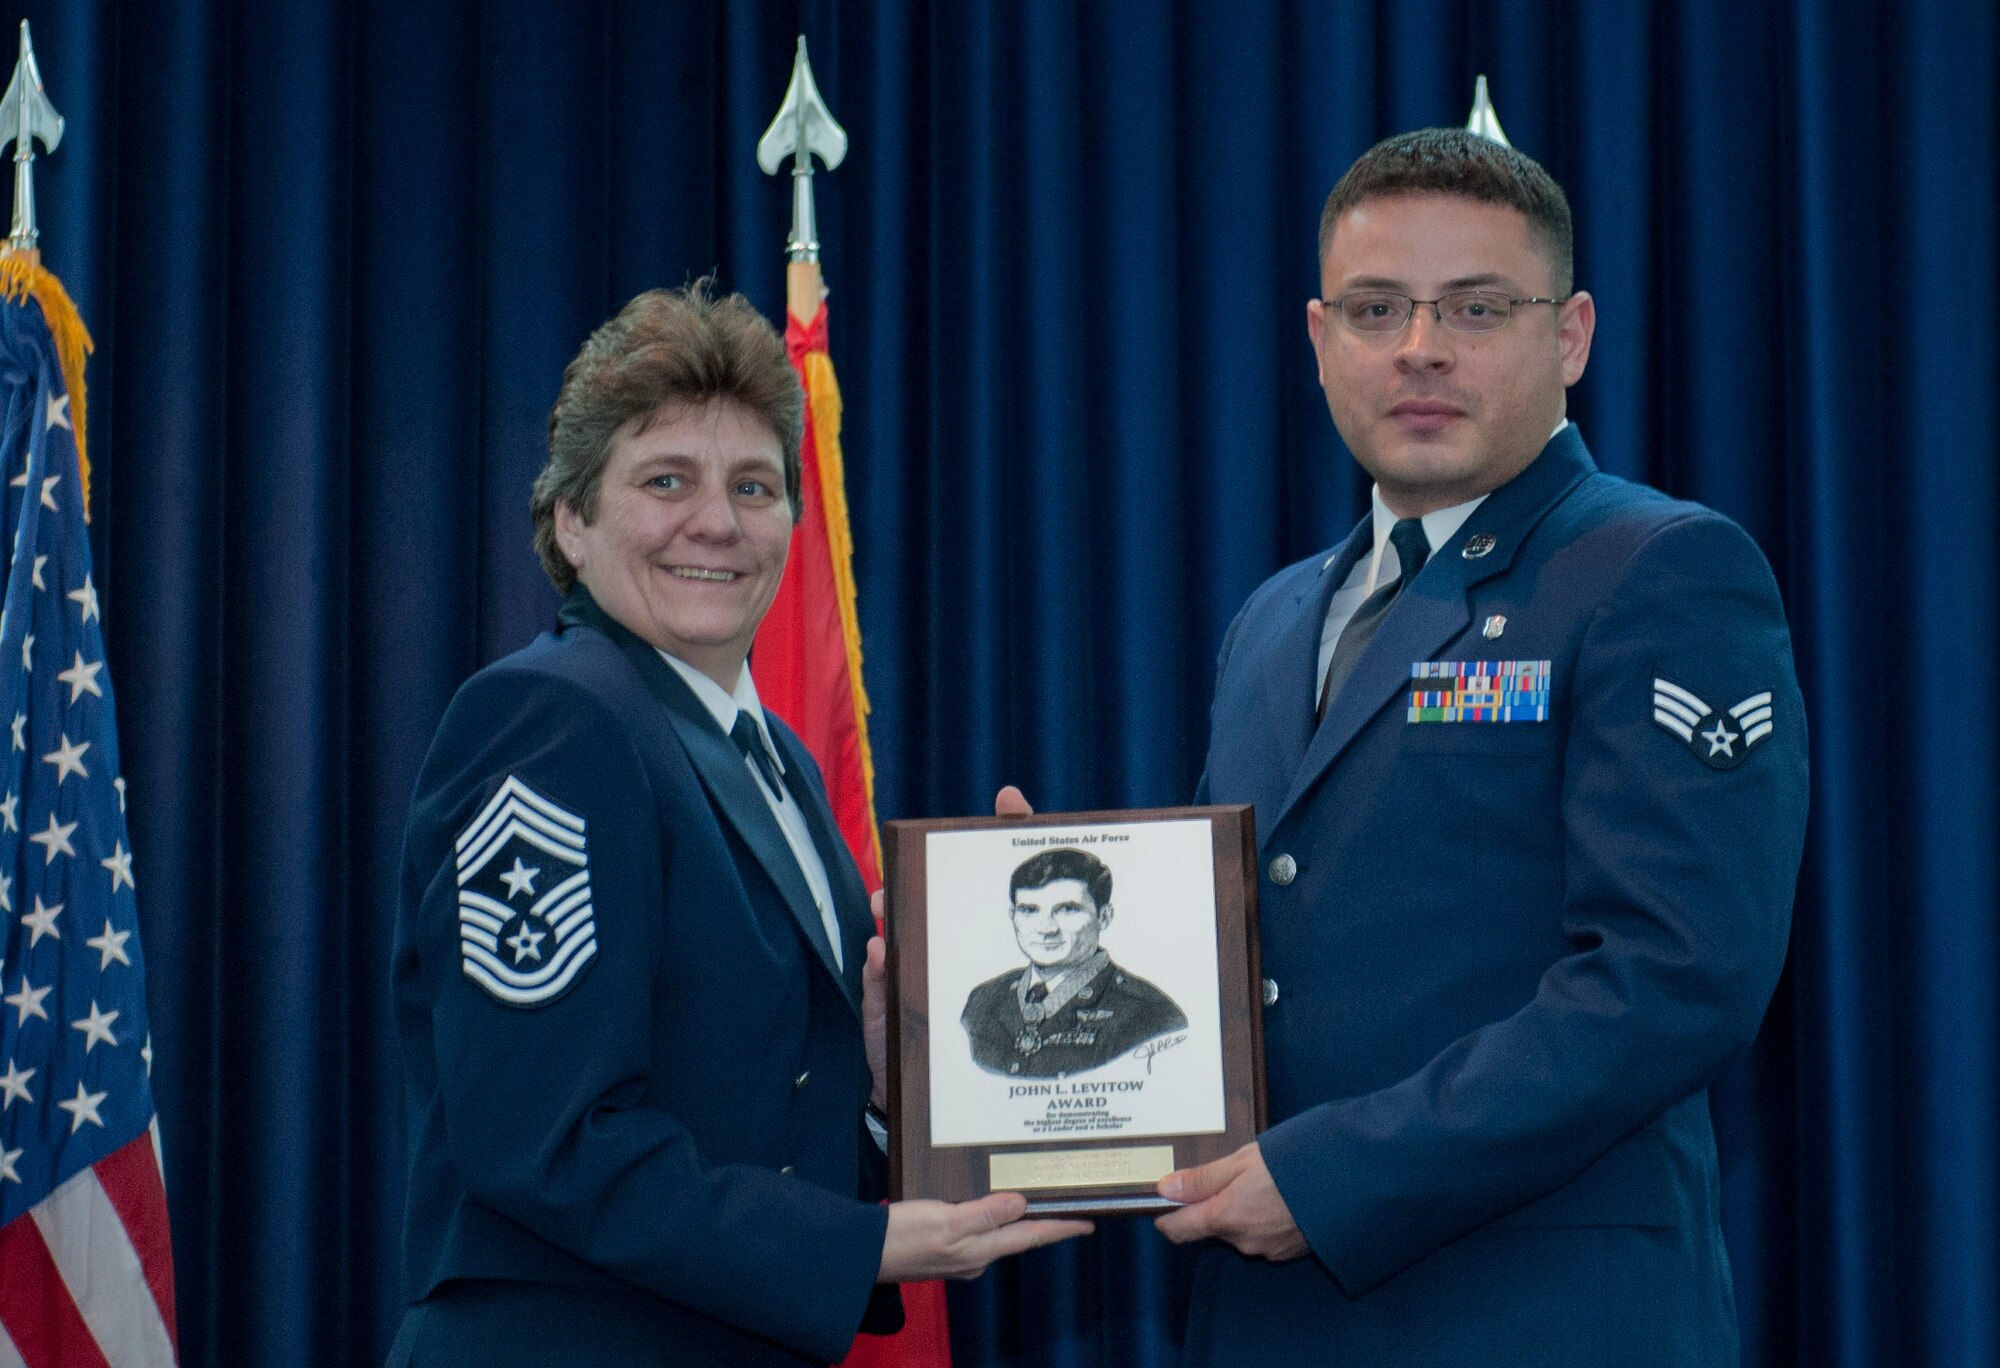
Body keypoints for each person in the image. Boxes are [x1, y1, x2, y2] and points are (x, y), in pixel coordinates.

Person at [1138, 128, 1809, 1364]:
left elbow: (1674, 978)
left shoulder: (1656, 571)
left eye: (1475, 307)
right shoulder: (1272, 619)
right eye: (1374, 308)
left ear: (1571, 336)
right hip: (1268, 1317)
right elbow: (1249, 952)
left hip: (1535, 1315)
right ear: (1317, 340)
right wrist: (1049, 918)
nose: (1418, 348)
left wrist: (1333, 1176)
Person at [386, 282, 1087, 1368]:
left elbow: (764, 1112)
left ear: (793, 523)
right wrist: (859, 1245)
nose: (716, 521)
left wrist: (891, 1088)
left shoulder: (779, 762)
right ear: (571, 521)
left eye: (753, 486)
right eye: (666, 480)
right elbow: (545, 1141)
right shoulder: (550, 718)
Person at [960, 847, 1187, 1077]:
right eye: (1029, 910)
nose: (1046, 929)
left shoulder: (1149, 1012)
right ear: (1012, 916)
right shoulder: (983, 1001)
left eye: (1067, 909)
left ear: (1104, 917)